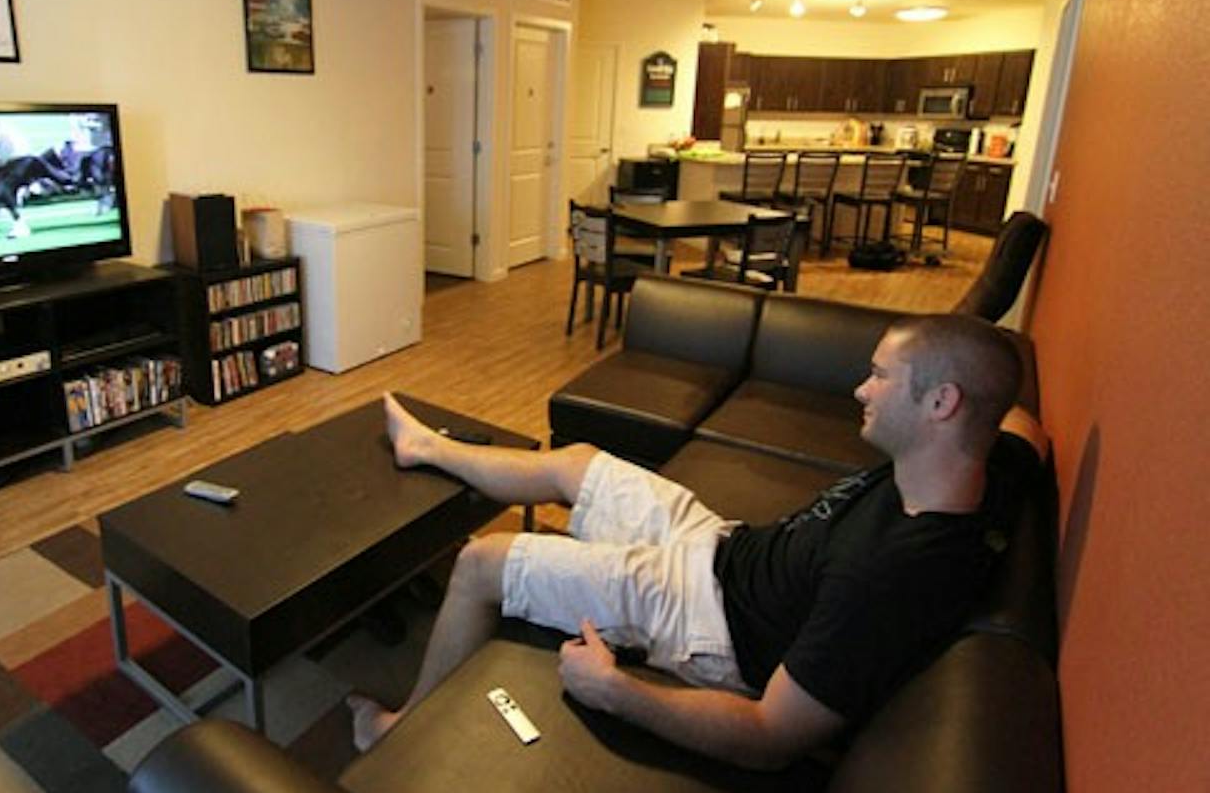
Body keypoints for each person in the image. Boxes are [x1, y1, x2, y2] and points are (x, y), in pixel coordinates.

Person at [349, 315, 1048, 770]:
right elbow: (1019, 417)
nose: (860, 389)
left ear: (940, 404)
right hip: (722, 546)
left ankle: (396, 730)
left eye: (881, 376)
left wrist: (615, 689)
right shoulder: (993, 463)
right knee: (575, 459)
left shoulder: (889, 576)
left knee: (481, 562)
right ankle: (427, 446)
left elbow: (773, 735)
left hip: (706, 618)